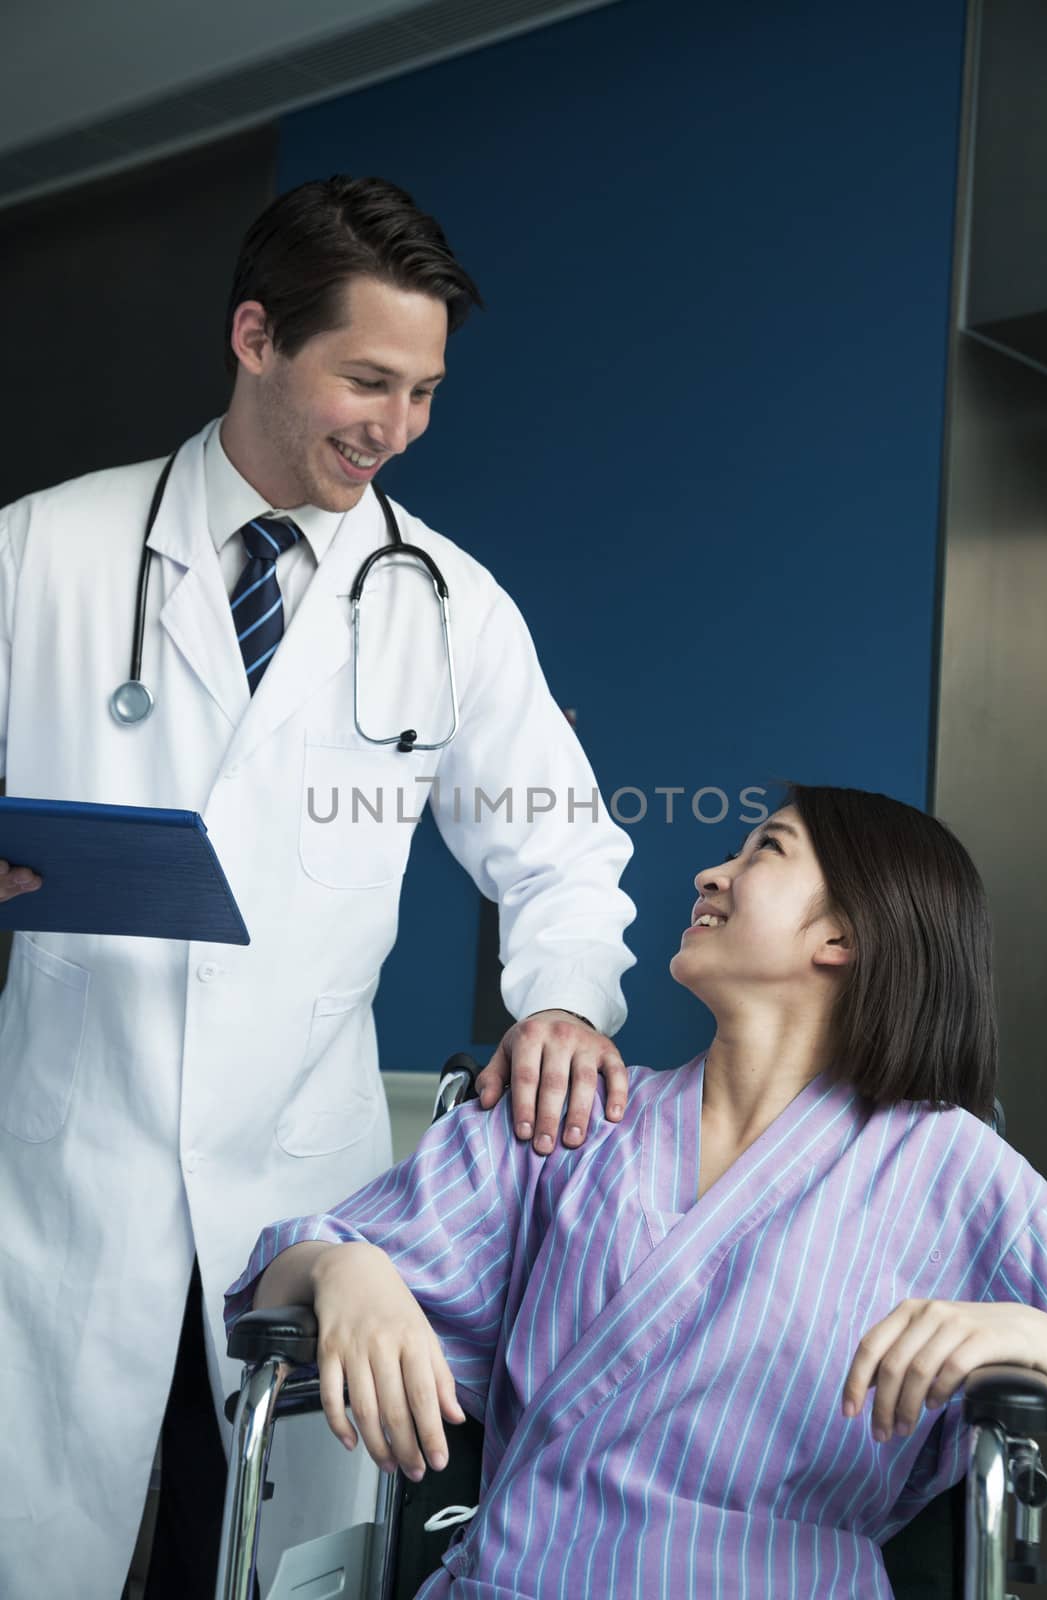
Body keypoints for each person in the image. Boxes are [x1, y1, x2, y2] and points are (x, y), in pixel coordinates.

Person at [0, 175, 637, 1600]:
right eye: (365, 378)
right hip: (57, 1185)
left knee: (260, 1562)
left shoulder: (451, 606)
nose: (397, 427)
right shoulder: (41, 551)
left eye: (423, 391)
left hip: (306, 1190)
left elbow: (561, 843)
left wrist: (563, 1004)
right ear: (252, 338)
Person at [231, 785, 1047, 1598]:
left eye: (764, 851)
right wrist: (340, 1269)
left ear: (842, 935)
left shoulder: (949, 1166)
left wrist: (1040, 1337)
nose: (710, 875)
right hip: (520, 1579)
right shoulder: (569, 1113)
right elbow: (273, 1284)